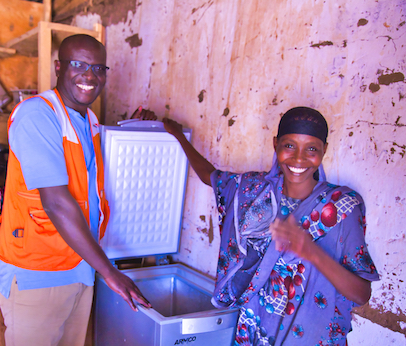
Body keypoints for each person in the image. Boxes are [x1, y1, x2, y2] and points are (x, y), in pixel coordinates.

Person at [162, 107, 379, 345]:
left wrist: (312, 252)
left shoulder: (341, 207)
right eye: (289, 145)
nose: (299, 158)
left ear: (324, 150)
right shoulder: (253, 190)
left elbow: (361, 294)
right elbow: (209, 176)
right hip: (255, 332)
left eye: (312, 149)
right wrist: (177, 134)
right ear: (275, 144)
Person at [0, 34, 154, 346]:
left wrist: (134, 130)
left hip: (80, 269)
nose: (90, 76)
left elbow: (90, 181)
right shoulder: (37, 114)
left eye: (98, 68)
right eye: (79, 65)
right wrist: (109, 272)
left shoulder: (89, 120)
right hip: (38, 273)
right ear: (59, 67)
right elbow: (56, 202)